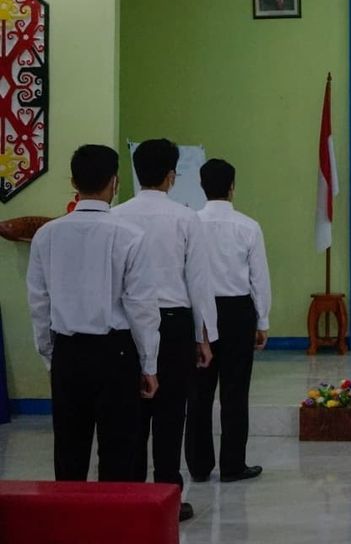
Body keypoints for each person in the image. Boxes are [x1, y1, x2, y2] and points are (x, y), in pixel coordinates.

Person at [26, 145, 160, 482]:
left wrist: (51, 356)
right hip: (116, 353)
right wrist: (149, 364)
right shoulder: (131, 236)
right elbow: (141, 307)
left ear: (73, 182)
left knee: (69, 451)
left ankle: (70, 513)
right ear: (115, 182)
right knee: (118, 451)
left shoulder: (46, 235)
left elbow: (39, 303)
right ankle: (112, 514)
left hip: (68, 351)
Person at [112, 138, 217, 522]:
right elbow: (198, 282)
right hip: (173, 323)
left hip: (125, 323)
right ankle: (168, 495)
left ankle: (132, 492)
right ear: (172, 176)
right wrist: (203, 336)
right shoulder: (185, 218)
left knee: (131, 413)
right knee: (171, 412)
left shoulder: (116, 216)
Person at [185, 159, 270, 484]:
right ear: (232, 187)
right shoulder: (248, 226)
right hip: (237, 312)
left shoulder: (190, 223)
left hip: (199, 311)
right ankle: (233, 465)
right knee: (235, 391)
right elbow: (258, 278)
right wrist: (262, 320)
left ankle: (199, 465)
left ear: (202, 187)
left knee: (198, 392)